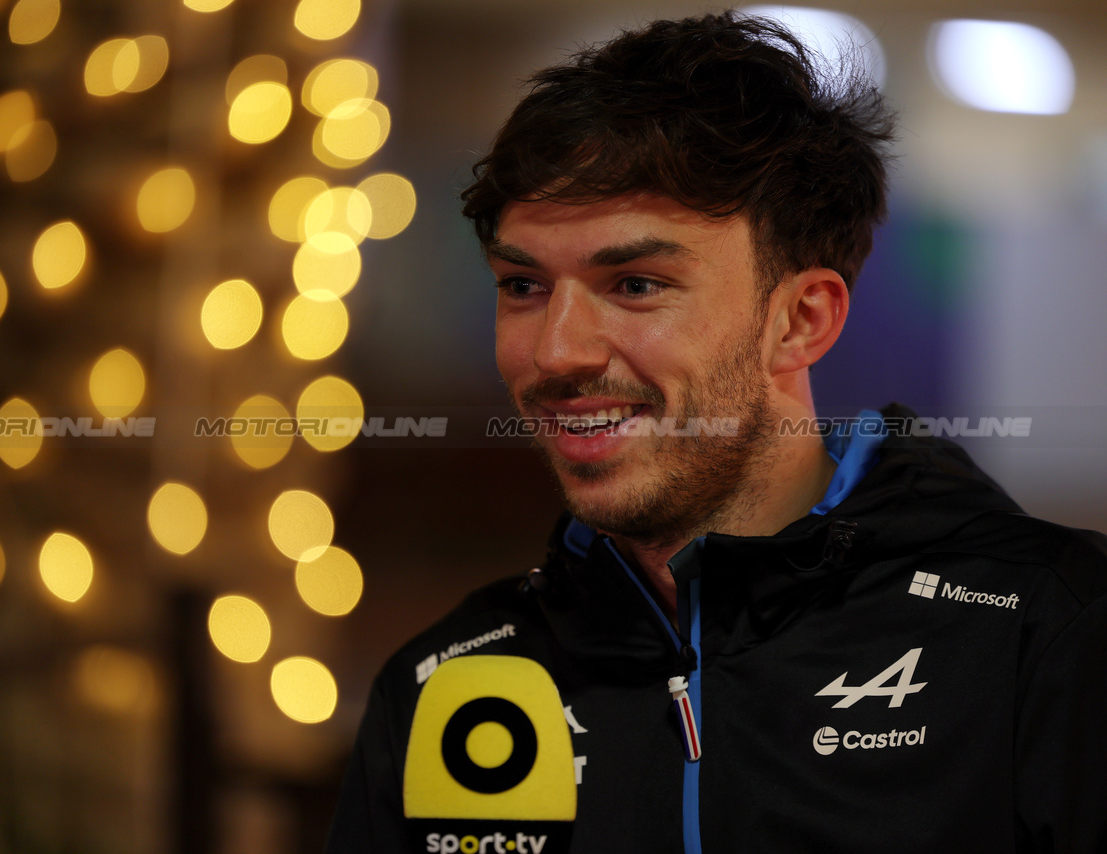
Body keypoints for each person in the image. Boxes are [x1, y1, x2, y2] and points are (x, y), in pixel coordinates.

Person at [326, 12, 1107, 853]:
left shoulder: (1045, 635)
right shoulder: (444, 683)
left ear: (801, 320)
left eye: (634, 283)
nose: (555, 353)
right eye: (522, 286)